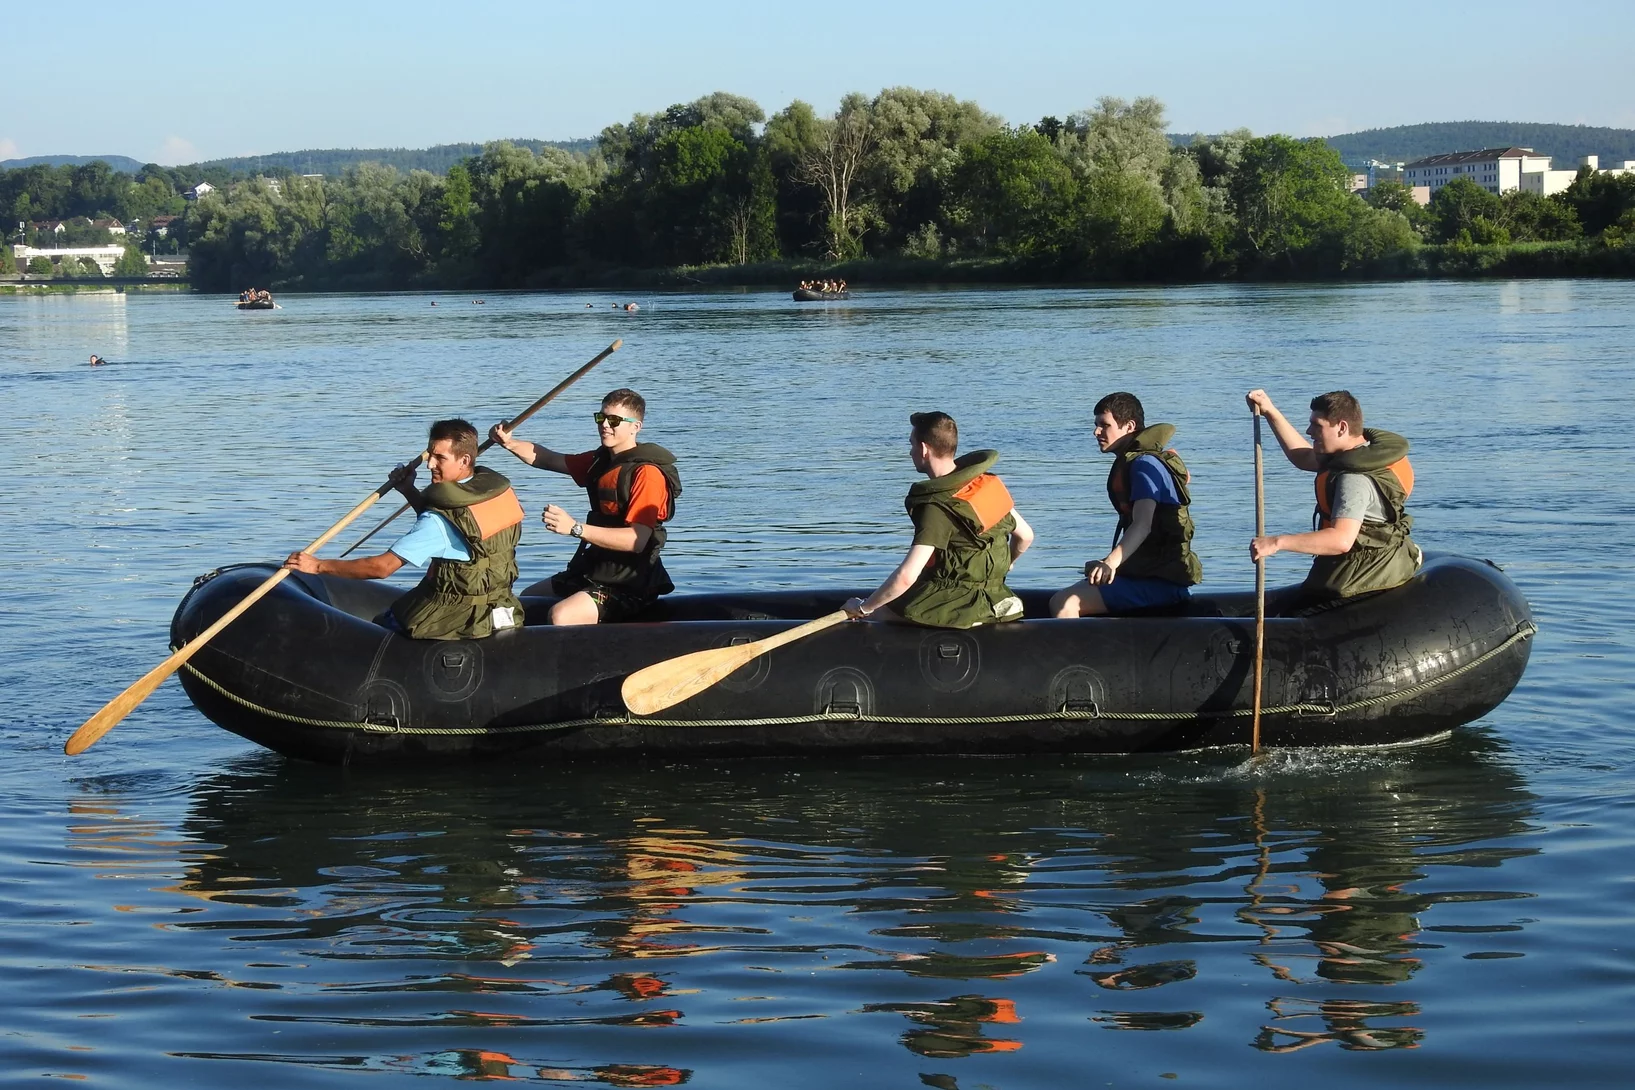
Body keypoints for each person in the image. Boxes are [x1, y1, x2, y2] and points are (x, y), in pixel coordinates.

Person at [282, 419, 525, 639]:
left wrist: (317, 566)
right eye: (430, 455)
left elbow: (382, 568)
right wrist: (408, 489)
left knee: (381, 625)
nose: (430, 464)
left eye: (440, 457)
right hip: (497, 605)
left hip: (457, 615)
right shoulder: (497, 495)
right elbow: (460, 534)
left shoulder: (436, 522)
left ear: (464, 460)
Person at [490, 388, 681, 626]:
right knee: (529, 597)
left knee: (561, 616)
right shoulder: (600, 461)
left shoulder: (647, 474)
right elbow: (548, 459)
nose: (605, 425)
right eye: (601, 418)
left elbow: (637, 540)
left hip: (631, 582)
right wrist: (509, 443)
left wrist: (575, 528)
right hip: (595, 569)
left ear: (635, 427)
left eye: (614, 420)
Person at [844, 411, 1033, 628]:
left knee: (879, 614)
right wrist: (1006, 565)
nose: (910, 452)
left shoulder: (935, 507)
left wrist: (865, 608)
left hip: (958, 604)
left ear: (924, 449)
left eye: (912, 445)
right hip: (996, 596)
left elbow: (906, 576)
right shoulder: (984, 486)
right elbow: (1026, 537)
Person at [1246, 388, 1421, 612]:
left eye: (1317, 425)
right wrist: (1269, 410)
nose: (1309, 431)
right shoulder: (1354, 454)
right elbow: (1302, 457)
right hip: (1378, 561)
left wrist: (1277, 543)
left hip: (1364, 576)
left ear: (1342, 428)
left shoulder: (1354, 479)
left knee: (1293, 616)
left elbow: (1341, 540)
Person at [1050, 392, 1202, 617]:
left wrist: (1110, 564)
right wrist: (1107, 563)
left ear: (1129, 426)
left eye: (1104, 425)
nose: (1096, 432)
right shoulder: (1139, 461)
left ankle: (1081, 653)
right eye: (1096, 425)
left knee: (1064, 603)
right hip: (1148, 576)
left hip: (1162, 586)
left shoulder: (1144, 465)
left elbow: (1143, 524)